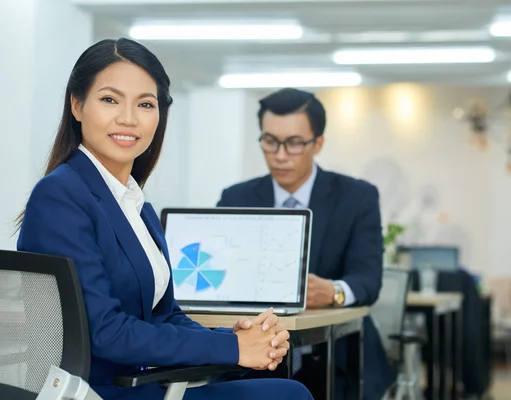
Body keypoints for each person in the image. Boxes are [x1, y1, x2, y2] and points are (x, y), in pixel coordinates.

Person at [16, 38, 312, 400]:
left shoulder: (136, 204)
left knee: (284, 386)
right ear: (77, 105)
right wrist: (233, 351)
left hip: (141, 382)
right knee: (289, 395)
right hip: (95, 391)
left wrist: (234, 340)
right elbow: (105, 332)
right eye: (110, 100)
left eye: (145, 104)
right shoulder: (61, 195)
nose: (128, 117)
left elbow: (164, 316)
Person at [217, 88, 395, 399]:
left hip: (337, 354)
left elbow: (368, 279)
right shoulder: (236, 198)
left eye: (295, 143)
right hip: (253, 355)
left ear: (318, 143)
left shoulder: (356, 197)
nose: (280, 154)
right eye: (270, 141)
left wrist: (334, 292)